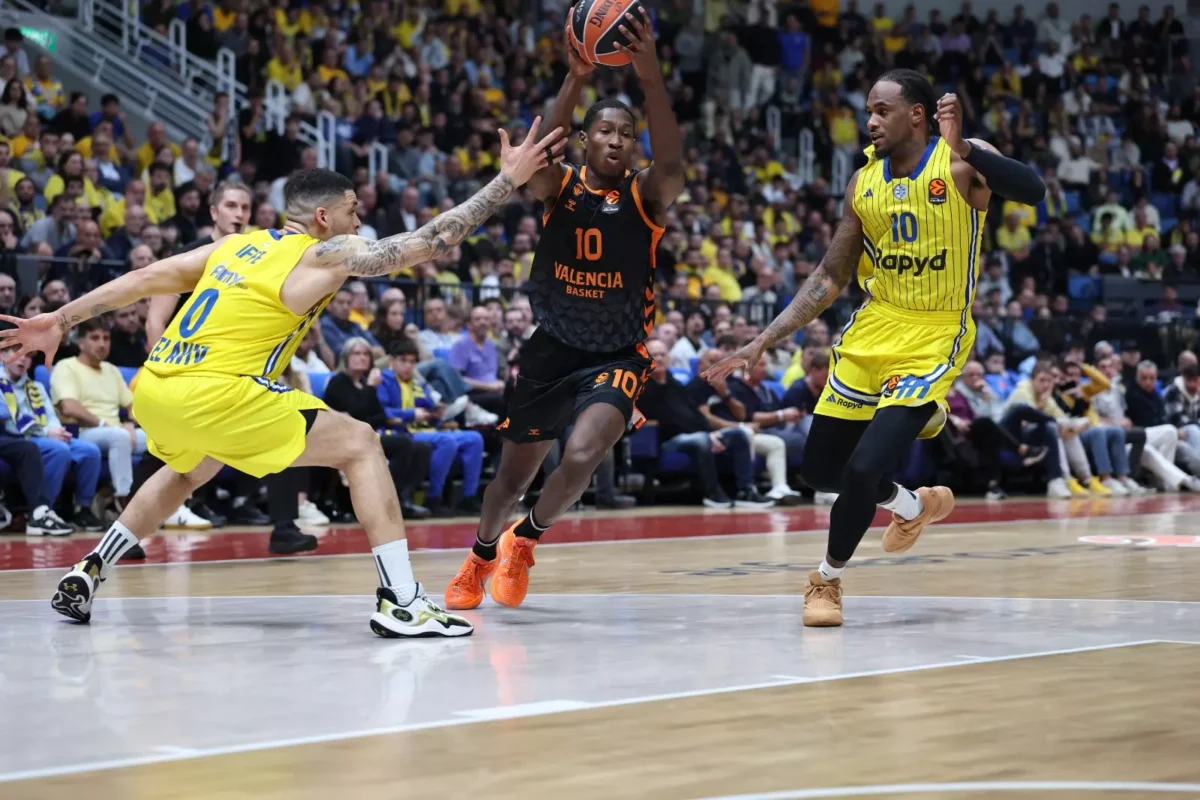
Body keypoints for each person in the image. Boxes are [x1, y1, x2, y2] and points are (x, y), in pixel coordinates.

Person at [0, 116, 564, 637]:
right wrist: (505, 182)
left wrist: (59, 319)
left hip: (156, 388)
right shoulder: (325, 252)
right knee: (362, 444)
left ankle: (90, 564)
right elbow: (427, 242)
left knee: (186, 469)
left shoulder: (236, 246)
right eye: (351, 209)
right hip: (219, 389)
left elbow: (147, 277)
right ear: (324, 217)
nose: (358, 220)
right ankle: (402, 598)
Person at [705, 69, 1046, 626]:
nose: (870, 121)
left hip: (935, 332)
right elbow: (830, 275)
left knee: (863, 468)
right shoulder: (863, 184)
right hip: (873, 329)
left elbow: (1034, 191)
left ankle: (825, 579)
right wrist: (764, 339)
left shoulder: (963, 160)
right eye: (869, 110)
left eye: (881, 110)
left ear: (917, 113)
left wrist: (967, 147)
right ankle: (913, 505)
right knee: (819, 470)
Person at [443, 13, 686, 611]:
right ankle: (480, 554)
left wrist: (649, 72)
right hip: (551, 348)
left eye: (625, 134)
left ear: (634, 145)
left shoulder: (646, 194)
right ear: (585, 139)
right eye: (603, 131)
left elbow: (675, 165)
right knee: (510, 480)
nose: (613, 140)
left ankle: (525, 542)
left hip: (616, 352)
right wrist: (575, 78)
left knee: (582, 455)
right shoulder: (561, 186)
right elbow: (532, 161)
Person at [322, 338, 432, 521]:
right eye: (357, 354)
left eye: (366, 354)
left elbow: (378, 416)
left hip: (370, 435)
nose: (362, 358)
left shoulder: (367, 383)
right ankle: (382, 502)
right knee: (402, 444)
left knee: (421, 447)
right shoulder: (338, 382)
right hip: (346, 438)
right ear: (346, 358)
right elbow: (357, 412)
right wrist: (371, 389)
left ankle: (402, 498)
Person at [377, 338, 484, 516]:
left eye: (412, 362)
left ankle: (469, 497)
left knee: (474, 439)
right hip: (403, 432)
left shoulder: (417, 383)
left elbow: (430, 406)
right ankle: (434, 498)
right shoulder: (384, 380)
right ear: (391, 362)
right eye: (403, 361)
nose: (408, 366)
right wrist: (413, 414)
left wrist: (436, 413)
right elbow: (382, 412)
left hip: (428, 430)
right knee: (446, 441)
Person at [2, 352, 104, 531]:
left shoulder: (36, 386)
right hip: (20, 438)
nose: (22, 359)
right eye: (17, 354)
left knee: (90, 451)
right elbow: (10, 425)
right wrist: (47, 433)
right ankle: (42, 511)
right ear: (2, 355)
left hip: (47, 434)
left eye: (27, 356)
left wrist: (57, 431)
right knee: (59, 450)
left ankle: (83, 509)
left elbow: (50, 415)